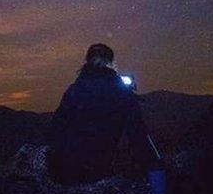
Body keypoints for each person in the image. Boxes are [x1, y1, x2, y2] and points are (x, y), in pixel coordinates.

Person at [47, 43, 158, 185]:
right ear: (111, 64)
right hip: (99, 166)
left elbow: (56, 126)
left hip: (67, 165)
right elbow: (138, 134)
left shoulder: (75, 90)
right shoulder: (122, 93)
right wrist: (152, 166)